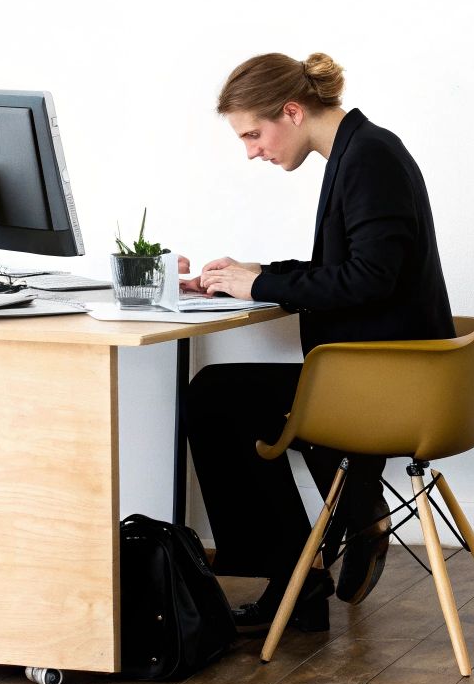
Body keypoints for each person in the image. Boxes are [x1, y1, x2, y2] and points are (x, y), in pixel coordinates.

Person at [178, 51, 454, 633]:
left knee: (215, 398)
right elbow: (354, 265)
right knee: (222, 396)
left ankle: (300, 576)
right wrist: (253, 274)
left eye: (254, 133)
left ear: (293, 111)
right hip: (383, 370)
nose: (252, 150)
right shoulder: (359, 151)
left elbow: (369, 278)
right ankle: (344, 517)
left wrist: (262, 282)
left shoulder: (369, 157)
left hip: (388, 383)